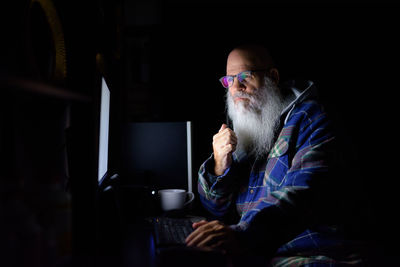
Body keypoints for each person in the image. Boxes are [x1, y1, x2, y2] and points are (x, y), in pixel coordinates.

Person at [185, 44, 363, 266]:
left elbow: (301, 195)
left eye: (245, 76)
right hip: (256, 253)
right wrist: (219, 166)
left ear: (273, 77)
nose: (236, 87)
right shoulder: (248, 127)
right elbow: (215, 208)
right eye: (229, 80)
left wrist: (240, 233)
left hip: (311, 256)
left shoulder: (312, 118)